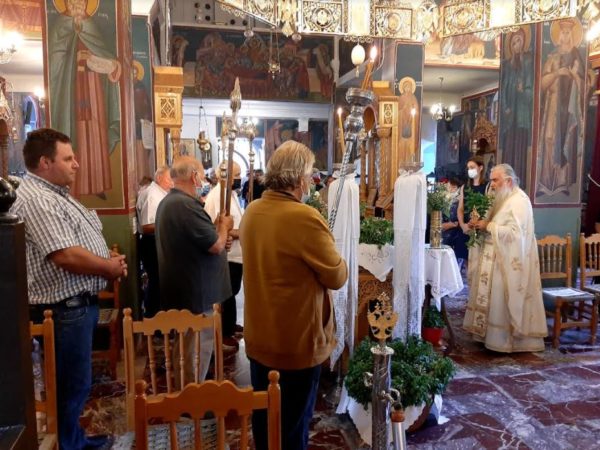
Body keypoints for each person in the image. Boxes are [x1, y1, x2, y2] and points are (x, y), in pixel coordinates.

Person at [11, 128, 127, 449]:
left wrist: (105, 258)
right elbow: (64, 254)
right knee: (70, 385)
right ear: (45, 162)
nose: (76, 164)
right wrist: (108, 267)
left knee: (76, 384)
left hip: (74, 306)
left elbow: (74, 242)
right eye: (68, 158)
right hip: (65, 309)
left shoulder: (55, 194)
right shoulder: (37, 199)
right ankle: (69, 445)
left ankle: (73, 439)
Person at [240, 140, 347, 450]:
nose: (311, 181)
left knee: (265, 422)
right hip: (296, 343)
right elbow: (337, 276)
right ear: (300, 179)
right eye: (310, 174)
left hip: (260, 339)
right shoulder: (304, 218)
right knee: (292, 430)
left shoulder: (253, 210)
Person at [155, 156, 233, 385]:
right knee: (195, 352)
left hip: (189, 290)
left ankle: (187, 391)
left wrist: (219, 233)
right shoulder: (184, 205)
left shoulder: (174, 202)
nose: (204, 179)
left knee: (188, 349)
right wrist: (224, 228)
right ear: (194, 176)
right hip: (196, 294)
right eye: (201, 173)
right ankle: (191, 397)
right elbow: (215, 245)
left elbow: (205, 239)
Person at [463, 164, 547, 352]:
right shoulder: (501, 197)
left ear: (508, 181)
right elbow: (491, 221)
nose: (492, 184)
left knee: (501, 300)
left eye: (495, 180)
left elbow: (517, 235)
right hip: (493, 256)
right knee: (492, 299)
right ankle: (486, 336)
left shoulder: (519, 201)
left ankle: (504, 342)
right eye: (491, 180)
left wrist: (488, 226)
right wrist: (478, 224)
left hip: (507, 260)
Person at [48, 0, 121, 198]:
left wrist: (109, 64)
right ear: (67, 3)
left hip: (94, 88)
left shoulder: (91, 25)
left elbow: (104, 53)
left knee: (96, 131)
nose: (78, 5)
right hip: (72, 88)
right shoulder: (61, 25)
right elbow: (55, 58)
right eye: (74, 1)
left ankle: (97, 184)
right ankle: (74, 186)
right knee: (75, 132)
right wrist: (74, 57)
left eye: (81, 1)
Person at [538, 19, 585, 197]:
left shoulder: (577, 58)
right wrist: (557, 73)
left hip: (569, 107)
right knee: (550, 138)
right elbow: (542, 84)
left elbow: (584, 86)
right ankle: (545, 182)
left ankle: (562, 182)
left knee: (567, 139)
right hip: (554, 105)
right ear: (559, 35)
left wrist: (574, 74)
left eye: (568, 32)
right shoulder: (552, 57)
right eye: (563, 32)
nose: (565, 35)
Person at [204, 161, 245, 350]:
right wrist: (239, 233)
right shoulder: (217, 196)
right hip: (227, 255)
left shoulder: (231, 194)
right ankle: (224, 333)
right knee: (226, 294)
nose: (239, 179)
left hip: (236, 254)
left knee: (232, 291)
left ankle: (230, 324)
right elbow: (216, 226)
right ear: (225, 176)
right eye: (236, 175)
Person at [136, 166, 173, 318]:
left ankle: (160, 319)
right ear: (159, 178)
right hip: (152, 244)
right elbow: (147, 226)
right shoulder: (153, 195)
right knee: (156, 282)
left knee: (160, 282)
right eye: (169, 179)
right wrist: (171, 225)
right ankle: (154, 322)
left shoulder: (160, 193)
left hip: (157, 243)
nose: (172, 182)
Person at [500, 27, 534, 187]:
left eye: (519, 41)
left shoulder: (527, 62)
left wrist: (522, 91)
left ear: (524, 43)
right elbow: (503, 88)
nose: (516, 45)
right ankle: (506, 180)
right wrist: (505, 106)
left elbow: (530, 88)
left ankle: (520, 180)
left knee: (520, 144)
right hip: (510, 114)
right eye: (513, 43)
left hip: (521, 112)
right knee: (509, 144)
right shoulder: (507, 65)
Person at [457, 155, 489, 235]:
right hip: (466, 227)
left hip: (480, 228)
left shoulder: (487, 186)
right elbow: (460, 209)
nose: (469, 170)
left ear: (480, 168)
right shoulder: (464, 187)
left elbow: (489, 209)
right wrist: (462, 225)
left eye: (472, 167)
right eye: (468, 168)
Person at [442, 177, 468, 267]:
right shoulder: (443, 200)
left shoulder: (459, 202)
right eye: (449, 186)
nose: (450, 189)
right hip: (444, 237)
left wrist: (452, 224)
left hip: (456, 237)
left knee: (454, 265)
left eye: (453, 187)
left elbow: (458, 220)